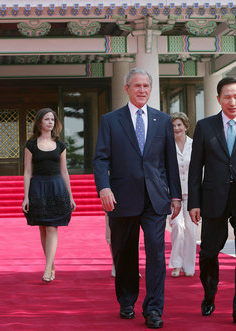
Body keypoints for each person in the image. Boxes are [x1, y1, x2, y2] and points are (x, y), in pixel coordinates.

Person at [93, 68, 181, 329]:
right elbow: (100, 159)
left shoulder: (162, 121)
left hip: (155, 199)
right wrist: (104, 188)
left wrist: (175, 195)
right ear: (127, 88)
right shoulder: (111, 120)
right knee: (125, 254)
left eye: (146, 86)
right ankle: (127, 299)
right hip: (121, 198)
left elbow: (169, 162)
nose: (142, 90)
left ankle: (154, 309)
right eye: (137, 85)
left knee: (156, 255)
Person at [188, 77, 236, 327]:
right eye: (227, 97)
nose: (232, 102)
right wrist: (194, 202)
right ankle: (210, 292)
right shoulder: (205, 127)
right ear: (218, 99)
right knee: (209, 252)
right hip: (213, 198)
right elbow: (195, 167)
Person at [22, 108, 76, 283]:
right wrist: (26, 197)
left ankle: (47, 268)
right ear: (39, 122)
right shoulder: (30, 145)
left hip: (56, 187)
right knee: (43, 228)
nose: (50, 122)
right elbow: (27, 171)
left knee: (52, 227)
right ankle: (51, 265)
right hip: (38, 186)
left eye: (52, 119)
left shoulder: (60, 145)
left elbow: (65, 171)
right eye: (47, 119)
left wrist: (71, 196)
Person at [168, 112, 197, 278]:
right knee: (178, 227)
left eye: (179, 125)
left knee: (191, 231)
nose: (176, 128)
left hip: (192, 195)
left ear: (186, 126)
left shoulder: (195, 145)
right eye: (173, 126)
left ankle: (189, 266)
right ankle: (177, 264)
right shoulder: (168, 147)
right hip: (175, 197)